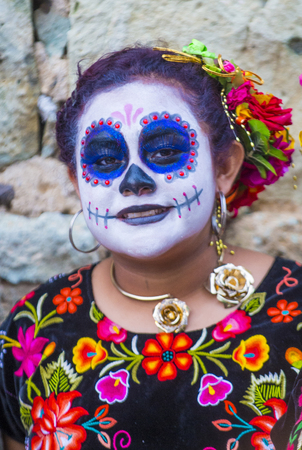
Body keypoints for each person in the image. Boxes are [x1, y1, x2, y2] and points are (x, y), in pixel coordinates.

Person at [0, 40, 300, 450]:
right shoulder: (30, 331)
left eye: (165, 151)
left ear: (225, 167)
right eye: (105, 161)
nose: (134, 182)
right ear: (76, 183)